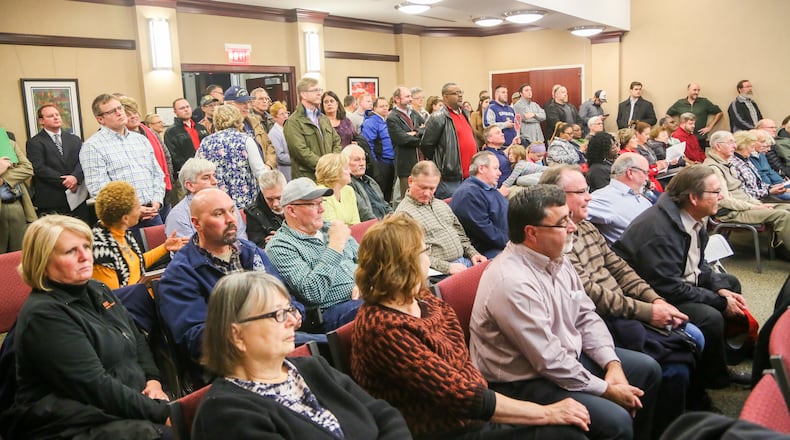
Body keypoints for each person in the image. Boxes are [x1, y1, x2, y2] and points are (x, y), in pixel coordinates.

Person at [351, 214, 589, 439]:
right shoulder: (382, 329)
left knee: (571, 425)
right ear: (405, 263)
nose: (428, 258)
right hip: (443, 430)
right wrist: (548, 413)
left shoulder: (424, 300)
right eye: (425, 251)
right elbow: (456, 394)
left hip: (473, 410)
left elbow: (462, 363)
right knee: (565, 433)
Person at [470, 184, 661, 440]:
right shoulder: (512, 282)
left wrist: (612, 364)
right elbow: (548, 360)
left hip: (565, 358)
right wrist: (606, 389)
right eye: (562, 223)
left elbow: (586, 315)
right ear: (532, 233)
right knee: (616, 421)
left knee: (648, 369)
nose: (573, 227)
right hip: (524, 380)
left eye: (569, 218)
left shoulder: (556, 257)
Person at [541, 166, 702, 436]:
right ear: (556, 197)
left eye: (587, 190)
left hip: (620, 310)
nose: (589, 197)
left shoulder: (587, 227)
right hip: (605, 318)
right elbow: (591, 295)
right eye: (580, 192)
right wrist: (647, 311)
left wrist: (655, 299)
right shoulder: (557, 242)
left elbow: (620, 268)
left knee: (694, 336)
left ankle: (683, 418)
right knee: (679, 359)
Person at [0, 215, 171, 439]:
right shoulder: (44, 316)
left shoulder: (98, 289)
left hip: (124, 405)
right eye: (71, 251)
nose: (85, 256)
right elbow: (95, 386)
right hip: (75, 424)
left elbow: (136, 338)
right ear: (43, 262)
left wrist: (153, 381)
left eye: (87, 247)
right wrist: (161, 413)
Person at [192, 272, 410, 440]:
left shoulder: (313, 368)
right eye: (277, 314)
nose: (291, 321)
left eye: (289, 310)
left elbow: (384, 415)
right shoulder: (225, 413)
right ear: (237, 335)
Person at [613, 165, 755, 391]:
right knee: (710, 317)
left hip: (675, 282)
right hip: (652, 296)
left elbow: (699, 264)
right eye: (715, 192)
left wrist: (720, 289)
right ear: (694, 198)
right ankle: (713, 378)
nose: (721, 197)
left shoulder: (691, 217)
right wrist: (719, 302)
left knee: (730, 283)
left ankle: (723, 357)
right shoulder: (660, 230)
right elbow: (669, 288)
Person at [158, 188, 286, 368]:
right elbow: (195, 338)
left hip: (277, 337)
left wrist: (294, 312)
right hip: (231, 360)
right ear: (197, 223)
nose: (230, 219)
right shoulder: (180, 274)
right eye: (219, 214)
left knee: (322, 352)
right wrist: (257, 328)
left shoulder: (250, 251)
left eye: (232, 210)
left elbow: (286, 296)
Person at [265, 178, 362, 331]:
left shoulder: (331, 228)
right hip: (330, 312)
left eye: (321, 202)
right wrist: (335, 246)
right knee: (380, 307)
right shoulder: (280, 246)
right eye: (313, 204)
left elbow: (369, 262)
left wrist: (365, 282)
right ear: (291, 210)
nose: (322, 209)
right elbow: (313, 293)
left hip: (363, 296)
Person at [80, 94, 165, 230]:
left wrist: (157, 201)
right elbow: (99, 189)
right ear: (100, 119)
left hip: (152, 214)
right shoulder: (92, 146)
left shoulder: (140, 140)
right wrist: (134, 209)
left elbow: (157, 174)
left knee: (162, 244)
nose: (119, 113)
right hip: (122, 218)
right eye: (112, 111)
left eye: (120, 108)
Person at [702, 130, 790, 255]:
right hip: (731, 212)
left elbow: (743, 192)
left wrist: (757, 204)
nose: (735, 146)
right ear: (718, 146)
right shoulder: (713, 168)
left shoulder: (728, 163)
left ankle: (781, 247)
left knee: (787, 208)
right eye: (730, 142)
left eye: (734, 142)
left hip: (746, 205)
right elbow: (724, 201)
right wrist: (755, 206)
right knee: (782, 215)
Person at [92, 181, 187, 289]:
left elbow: (136, 262)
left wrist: (165, 247)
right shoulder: (101, 252)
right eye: (138, 207)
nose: (141, 210)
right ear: (125, 218)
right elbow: (115, 296)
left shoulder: (121, 231)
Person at [396, 161, 486, 275]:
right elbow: (412, 255)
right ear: (410, 181)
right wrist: (447, 267)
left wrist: (473, 253)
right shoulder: (403, 215)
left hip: (464, 261)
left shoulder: (441, 205)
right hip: (438, 272)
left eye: (432, 189)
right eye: (423, 188)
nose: (427, 193)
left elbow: (460, 235)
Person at [196, 104, 268, 209]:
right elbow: (260, 171)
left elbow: (197, 170)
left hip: (215, 201)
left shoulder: (205, 142)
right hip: (243, 202)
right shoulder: (245, 140)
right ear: (238, 119)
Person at [26, 103, 89, 221]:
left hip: (77, 197)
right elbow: (39, 168)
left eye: (57, 115)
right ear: (41, 121)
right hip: (52, 198)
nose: (56, 118)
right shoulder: (35, 142)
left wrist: (75, 178)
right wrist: (66, 181)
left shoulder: (74, 139)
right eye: (51, 116)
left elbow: (83, 161)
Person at [164, 158, 247, 241]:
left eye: (214, 176)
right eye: (206, 178)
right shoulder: (178, 216)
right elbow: (187, 248)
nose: (215, 181)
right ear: (190, 186)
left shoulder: (227, 204)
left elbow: (242, 239)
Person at [420, 83, 477, 199]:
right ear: (445, 97)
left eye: (461, 92)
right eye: (456, 93)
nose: (460, 95)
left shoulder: (465, 114)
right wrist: (441, 164)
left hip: (469, 176)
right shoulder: (438, 117)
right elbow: (426, 145)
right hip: (450, 178)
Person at [449, 151, 508, 258]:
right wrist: (514, 242)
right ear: (481, 169)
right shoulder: (469, 194)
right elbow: (488, 233)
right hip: (487, 250)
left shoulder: (488, 188)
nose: (499, 173)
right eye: (495, 168)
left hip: (504, 242)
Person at [586, 153, 654, 245]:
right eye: (645, 173)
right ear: (630, 173)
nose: (647, 178)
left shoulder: (638, 196)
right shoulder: (605, 198)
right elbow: (574, 211)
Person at [285, 78, 341, 180]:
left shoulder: (323, 119)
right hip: (308, 177)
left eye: (320, 90)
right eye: (315, 90)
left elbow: (336, 140)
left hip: (329, 176)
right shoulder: (293, 122)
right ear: (303, 94)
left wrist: (333, 162)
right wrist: (325, 166)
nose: (319, 93)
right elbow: (300, 152)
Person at [224, 86, 279, 172]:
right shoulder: (224, 128)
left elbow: (269, 146)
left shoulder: (255, 122)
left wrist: (268, 166)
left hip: (264, 174)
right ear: (229, 105)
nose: (247, 106)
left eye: (248, 102)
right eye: (242, 103)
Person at [387, 86, 425, 199]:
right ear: (397, 99)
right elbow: (402, 139)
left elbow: (426, 129)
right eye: (407, 96)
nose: (410, 99)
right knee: (409, 197)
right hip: (405, 164)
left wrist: (415, 133)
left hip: (420, 160)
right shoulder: (392, 117)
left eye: (411, 96)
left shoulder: (414, 113)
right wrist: (419, 137)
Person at [0, 136, 35, 253]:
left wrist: (3, 179)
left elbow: (27, 168)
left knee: (20, 254)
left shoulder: (7, 143)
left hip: (16, 206)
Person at [731, 130, 788, 202]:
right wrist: (769, 191)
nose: (752, 151)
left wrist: (773, 187)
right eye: (752, 147)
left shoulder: (746, 160)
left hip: (764, 193)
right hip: (754, 200)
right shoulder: (734, 164)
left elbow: (760, 182)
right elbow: (744, 193)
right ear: (742, 146)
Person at [343, 144, 393, 221]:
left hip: (385, 222)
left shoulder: (370, 181)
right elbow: (364, 213)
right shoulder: (348, 184)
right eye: (356, 160)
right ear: (345, 163)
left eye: (363, 159)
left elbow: (384, 204)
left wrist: (394, 219)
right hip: (373, 225)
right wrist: (382, 224)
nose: (362, 163)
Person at [362, 97, 396, 202]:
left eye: (386, 106)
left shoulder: (387, 121)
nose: (385, 108)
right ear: (375, 108)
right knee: (380, 192)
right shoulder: (371, 122)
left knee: (389, 192)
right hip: (381, 162)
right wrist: (375, 163)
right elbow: (368, 145)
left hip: (392, 161)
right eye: (381, 106)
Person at [666, 83, 723, 147]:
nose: (697, 92)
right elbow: (668, 115)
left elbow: (719, 113)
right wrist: (675, 127)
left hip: (700, 137)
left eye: (698, 90)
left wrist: (710, 127)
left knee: (699, 153)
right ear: (688, 90)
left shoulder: (704, 102)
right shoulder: (680, 103)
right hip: (683, 137)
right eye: (694, 90)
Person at [164, 97, 210, 175]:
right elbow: (174, 156)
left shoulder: (201, 127)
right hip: (186, 172)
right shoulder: (171, 132)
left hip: (206, 169)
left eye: (187, 107)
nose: (186, 110)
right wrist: (189, 170)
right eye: (182, 108)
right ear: (175, 111)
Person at [245, 170, 286, 247]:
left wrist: (283, 239)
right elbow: (257, 247)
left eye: (279, 198)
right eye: (269, 199)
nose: (275, 204)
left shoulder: (298, 203)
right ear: (262, 193)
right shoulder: (253, 213)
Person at [316, 153, 360, 225]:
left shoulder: (349, 190)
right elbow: (331, 226)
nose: (350, 171)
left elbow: (356, 223)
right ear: (334, 171)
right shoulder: (322, 192)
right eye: (346, 168)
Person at [266, 101, 292, 180]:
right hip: (285, 172)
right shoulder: (274, 133)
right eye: (282, 114)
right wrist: (296, 159)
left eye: (286, 113)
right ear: (274, 118)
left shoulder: (289, 129)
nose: (285, 116)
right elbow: (280, 156)